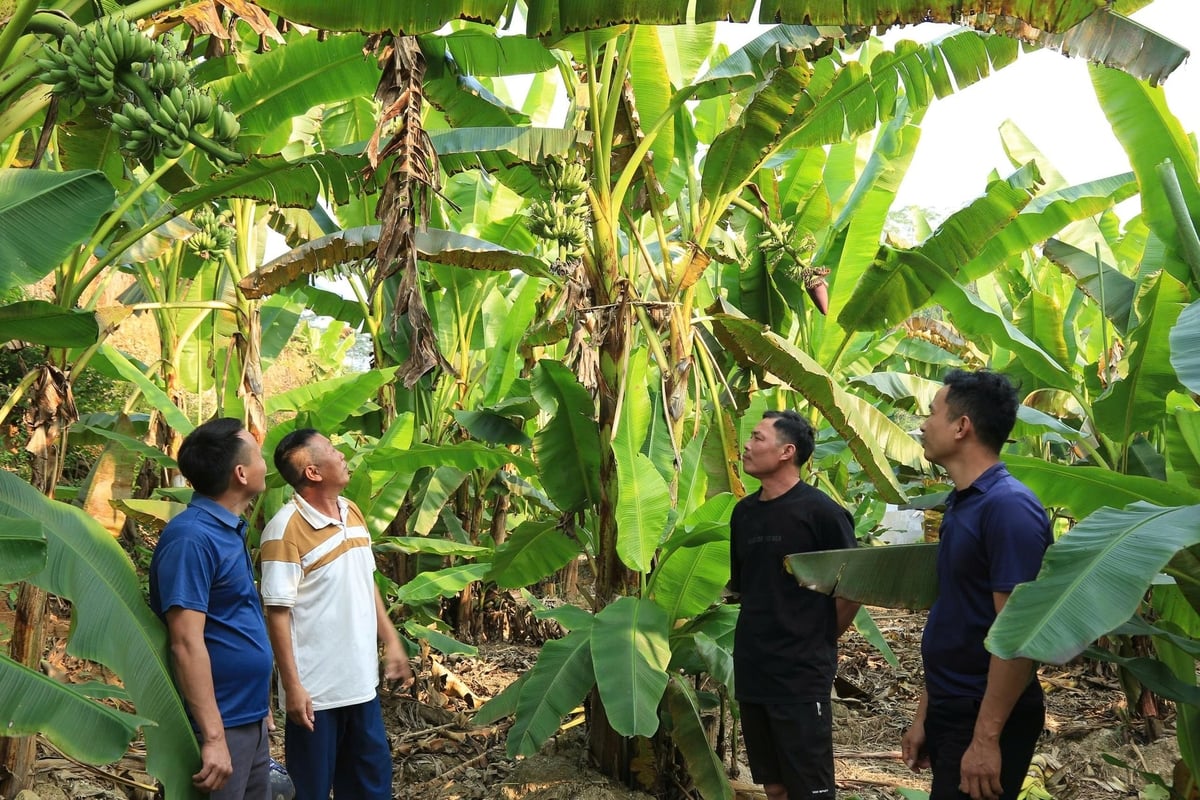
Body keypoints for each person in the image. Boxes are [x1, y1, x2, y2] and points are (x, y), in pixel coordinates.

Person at [902, 370, 1053, 800]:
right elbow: (957, 613)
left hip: (986, 716)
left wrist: (986, 739)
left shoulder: (1008, 508)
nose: (923, 424)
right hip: (955, 707)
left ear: (961, 426)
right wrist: (924, 717)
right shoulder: (963, 503)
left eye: (932, 413)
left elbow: (1017, 634)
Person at [260, 429, 413, 800]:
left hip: (361, 684)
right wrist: (292, 688)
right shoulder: (284, 530)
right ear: (313, 472)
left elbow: (366, 582)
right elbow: (276, 613)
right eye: (331, 449)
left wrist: (391, 641)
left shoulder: (352, 511)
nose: (341, 454)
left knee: (371, 786)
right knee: (310, 789)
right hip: (316, 695)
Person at [728, 410, 860, 800]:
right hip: (753, 668)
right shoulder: (744, 513)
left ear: (787, 451)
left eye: (756, 438)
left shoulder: (822, 513)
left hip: (800, 673)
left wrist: (815, 637)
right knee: (774, 786)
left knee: (810, 789)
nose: (746, 446)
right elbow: (746, 588)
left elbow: (851, 589)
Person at [149, 417, 273, 799]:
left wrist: (260, 706)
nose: (264, 460)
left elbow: (234, 620)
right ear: (240, 472)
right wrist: (214, 737)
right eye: (257, 453)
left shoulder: (226, 530)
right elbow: (186, 642)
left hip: (247, 715)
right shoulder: (192, 538)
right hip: (220, 726)